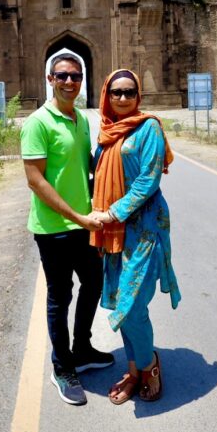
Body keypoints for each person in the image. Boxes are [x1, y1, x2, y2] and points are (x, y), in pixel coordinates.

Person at [21, 54, 115, 406]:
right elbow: (36, 181)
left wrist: (120, 156)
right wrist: (79, 217)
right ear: (50, 78)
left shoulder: (78, 119)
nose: (69, 81)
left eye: (75, 75)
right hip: (55, 228)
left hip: (84, 223)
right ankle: (62, 367)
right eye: (62, 75)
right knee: (60, 297)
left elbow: (85, 166)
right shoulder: (38, 123)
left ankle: (82, 348)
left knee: (93, 283)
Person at [89, 69, 180, 404]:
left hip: (143, 229)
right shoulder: (106, 133)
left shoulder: (149, 128)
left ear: (138, 96)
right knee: (121, 302)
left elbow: (148, 180)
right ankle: (134, 370)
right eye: (116, 92)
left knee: (131, 305)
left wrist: (112, 213)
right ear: (106, 95)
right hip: (113, 234)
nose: (123, 98)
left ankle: (150, 364)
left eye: (129, 92)